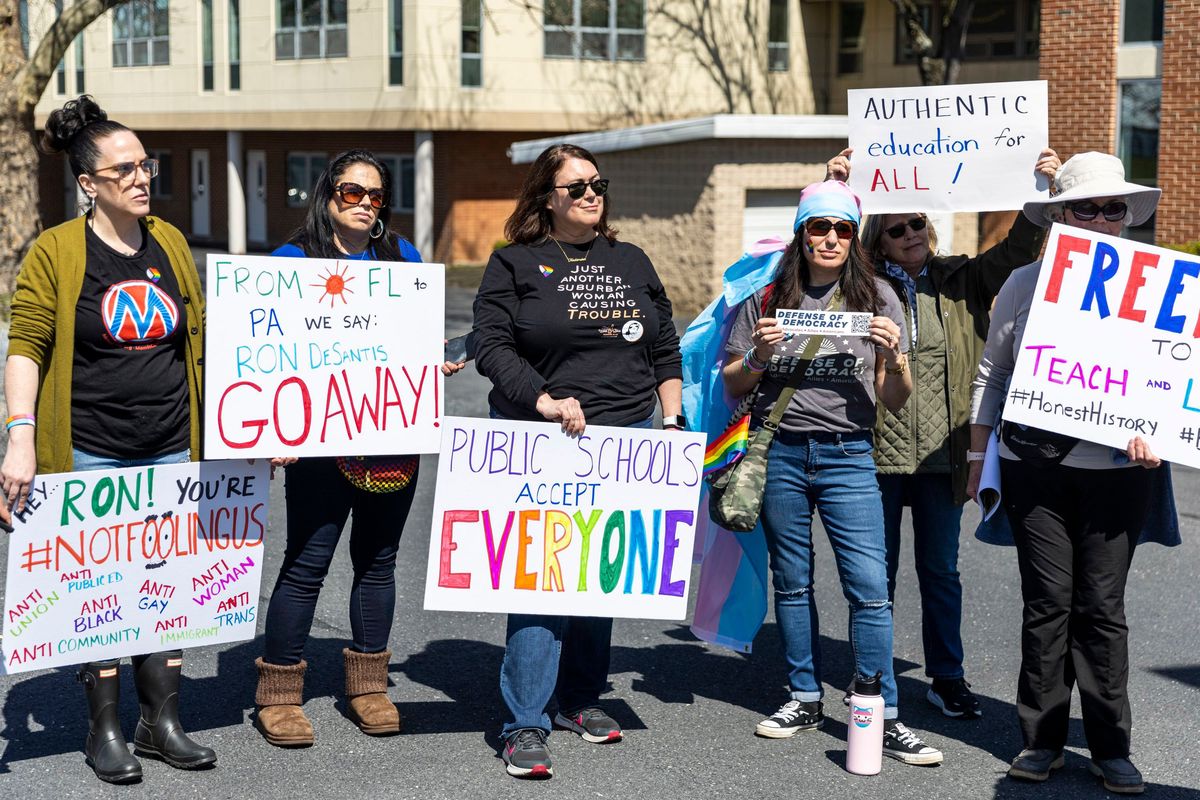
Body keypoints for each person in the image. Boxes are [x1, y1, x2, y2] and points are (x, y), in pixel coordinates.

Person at [0, 95, 214, 784]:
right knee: (100, 591)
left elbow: (206, 338)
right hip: (90, 446)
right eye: (122, 170)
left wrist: (244, 429)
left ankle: (163, 721)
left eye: (145, 165)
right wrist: (20, 438)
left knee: (165, 584)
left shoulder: (172, 242)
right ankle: (107, 728)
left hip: (171, 446)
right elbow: (27, 345)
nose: (140, 178)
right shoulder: (57, 252)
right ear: (88, 183)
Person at [824, 146, 1061, 719]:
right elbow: (811, 254)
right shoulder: (856, 287)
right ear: (876, 241)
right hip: (872, 456)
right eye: (897, 228)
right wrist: (833, 187)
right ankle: (871, 678)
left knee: (941, 573)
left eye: (917, 224)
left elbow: (1019, 250)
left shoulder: (964, 279)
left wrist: (1039, 193)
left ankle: (947, 677)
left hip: (941, 456)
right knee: (871, 578)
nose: (911, 233)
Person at [472, 143, 684, 779]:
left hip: (626, 438)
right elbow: (491, 345)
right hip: (546, 440)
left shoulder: (632, 259)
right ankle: (525, 723)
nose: (592, 194)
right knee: (542, 578)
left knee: (600, 573)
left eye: (598, 184)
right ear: (547, 198)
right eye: (577, 187)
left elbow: (665, 347)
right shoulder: (514, 262)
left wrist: (671, 418)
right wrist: (543, 399)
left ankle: (580, 699)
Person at [967, 152, 1169, 794]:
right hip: (1036, 469)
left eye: (1115, 207)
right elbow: (991, 375)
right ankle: (1041, 741)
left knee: (1102, 609)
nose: (1104, 218)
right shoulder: (1025, 284)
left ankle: (1112, 748)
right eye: (1088, 206)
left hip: (1119, 476)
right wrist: (978, 459)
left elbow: (1175, 376)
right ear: (1060, 216)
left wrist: (1157, 428)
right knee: (1047, 605)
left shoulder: (1158, 288)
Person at [723, 179, 942, 765]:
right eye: (819, 227)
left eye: (842, 229)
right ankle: (803, 695)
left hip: (849, 455)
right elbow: (732, 381)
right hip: (781, 452)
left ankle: (882, 710)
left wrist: (894, 358)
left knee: (870, 590)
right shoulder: (766, 296)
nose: (830, 238)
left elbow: (894, 398)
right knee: (792, 582)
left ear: (854, 238)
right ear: (802, 234)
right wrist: (759, 357)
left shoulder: (878, 297)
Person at [252, 149, 464, 748]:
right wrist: (270, 427)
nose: (366, 203)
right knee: (306, 563)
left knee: (378, 561)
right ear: (327, 196)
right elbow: (267, 354)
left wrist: (435, 358)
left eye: (376, 195)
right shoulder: (292, 262)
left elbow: (412, 343)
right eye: (352, 192)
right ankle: (280, 694)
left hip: (391, 439)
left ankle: (369, 686)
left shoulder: (404, 259)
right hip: (317, 447)